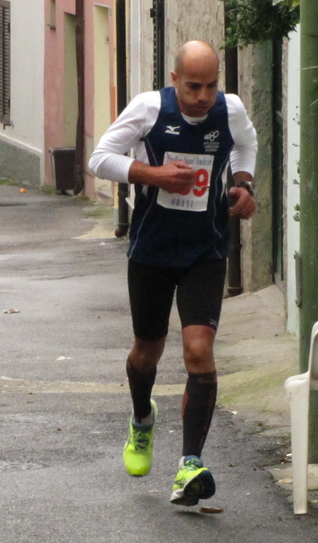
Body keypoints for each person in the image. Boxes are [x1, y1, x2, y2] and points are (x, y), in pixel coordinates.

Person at [88, 40, 257, 506]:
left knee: (198, 351)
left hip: (206, 248)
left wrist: (243, 184)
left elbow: (247, 145)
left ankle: (190, 465)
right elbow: (99, 159)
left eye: (211, 86)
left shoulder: (231, 111)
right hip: (152, 250)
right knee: (147, 351)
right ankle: (142, 418)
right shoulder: (147, 109)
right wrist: (152, 175)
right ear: (174, 80)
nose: (203, 97)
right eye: (193, 86)